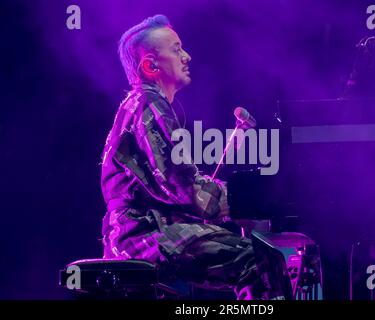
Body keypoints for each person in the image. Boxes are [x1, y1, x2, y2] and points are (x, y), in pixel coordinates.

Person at [100, 14, 284, 300]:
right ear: (150, 65)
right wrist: (247, 200)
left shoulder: (140, 105)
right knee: (259, 261)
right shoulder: (150, 104)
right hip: (145, 233)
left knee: (249, 254)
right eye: (176, 49)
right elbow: (186, 190)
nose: (187, 56)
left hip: (143, 229)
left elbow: (178, 191)